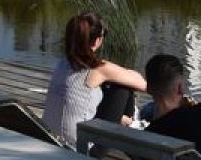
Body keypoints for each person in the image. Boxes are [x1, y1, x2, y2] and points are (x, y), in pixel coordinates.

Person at [42, 12, 146, 149]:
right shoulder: (98, 69)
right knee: (122, 88)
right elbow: (143, 84)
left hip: (48, 138)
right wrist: (125, 73)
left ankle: (124, 120)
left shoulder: (61, 63)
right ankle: (130, 122)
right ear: (97, 41)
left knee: (101, 87)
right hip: (81, 149)